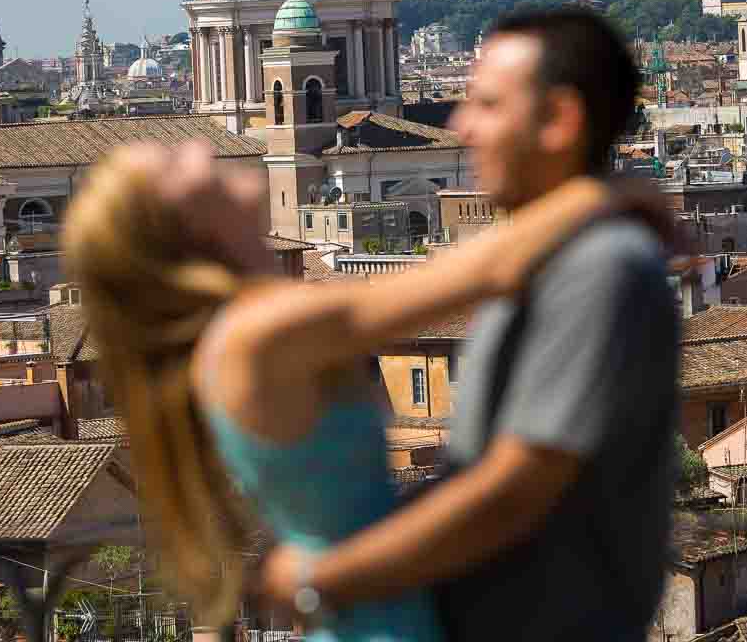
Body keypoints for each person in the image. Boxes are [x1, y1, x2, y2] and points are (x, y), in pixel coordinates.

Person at [63, 134, 659, 638]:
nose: (196, 147)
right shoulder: (259, 331)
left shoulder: (249, 329)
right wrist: (602, 193)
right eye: (173, 166)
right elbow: (482, 270)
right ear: (175, 229)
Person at [259, 8, 680, 641]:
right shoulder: (545, 262)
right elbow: (477, 473)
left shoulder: (602, 268)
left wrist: (327, 578)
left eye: (486, 104)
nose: (460, 124)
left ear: (559, 120)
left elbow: (513, 492)